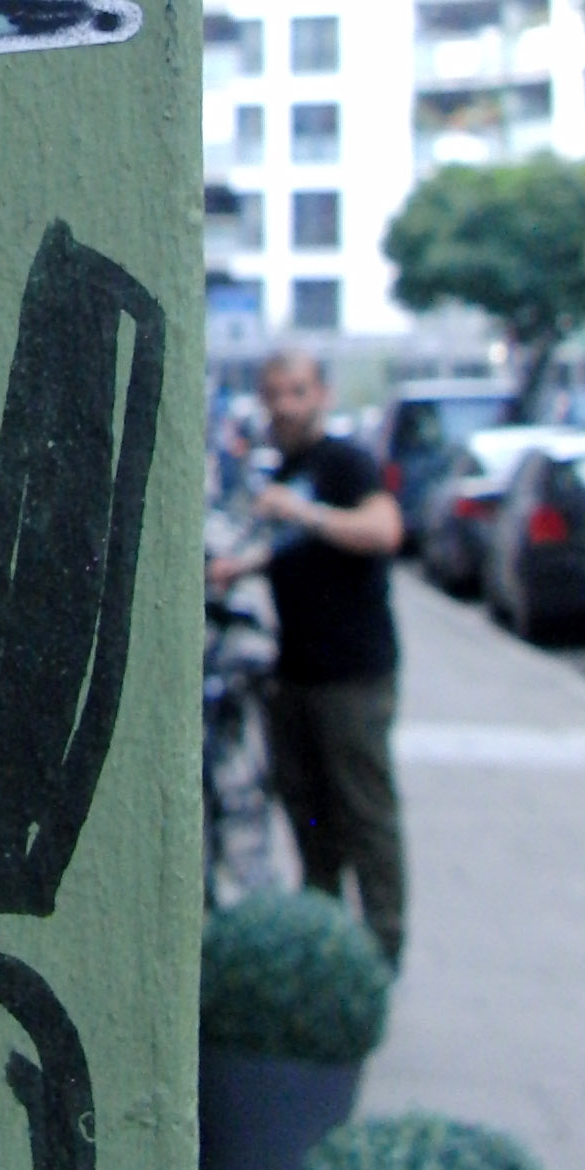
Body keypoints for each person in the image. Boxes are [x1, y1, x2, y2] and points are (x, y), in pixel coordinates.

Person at [209, 350, 406, 964]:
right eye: (274, 393)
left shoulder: (345, 462)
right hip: (295, 673)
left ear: (322, 394)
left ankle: (382, 948)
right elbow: (296, 549)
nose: (285, 406)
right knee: (310, 816)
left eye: (297, 391)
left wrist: (304, 511)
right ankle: (325, 937)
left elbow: (383, 530)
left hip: (351, 675)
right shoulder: (288, 467)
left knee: (364, 813)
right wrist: (242, 566)